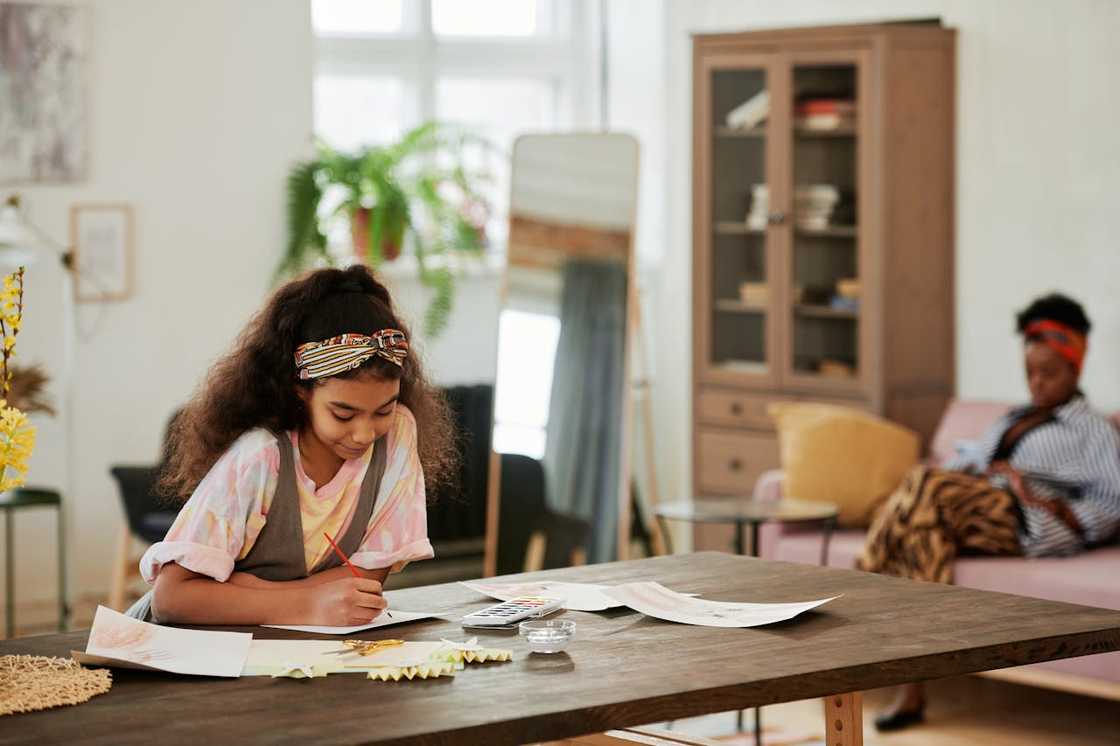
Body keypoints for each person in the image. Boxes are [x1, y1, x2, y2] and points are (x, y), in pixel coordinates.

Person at [128, 265, 455, 626]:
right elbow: (172, 598)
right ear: (301, 392)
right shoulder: (260, 456)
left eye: (383, 410)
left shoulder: (398, 434)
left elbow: (365, 580)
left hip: (295, 651)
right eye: (343, 414)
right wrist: (309, 603)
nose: (364, 433)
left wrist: (248, 589)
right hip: (190, 652)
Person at [858, 293, 1120, 731]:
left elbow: (1113, 504)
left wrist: (1051, 505)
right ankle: (912, 684)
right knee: (925, 510)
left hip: (1024, 520)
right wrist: (975, 470)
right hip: (966, 505)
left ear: (1076, 367)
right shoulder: (1012, 417)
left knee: (925, 486)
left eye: (1049, 374)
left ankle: (862, 594)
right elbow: (967, 459)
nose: (1037, 383)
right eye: (1030, 373)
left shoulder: (1093, 430)